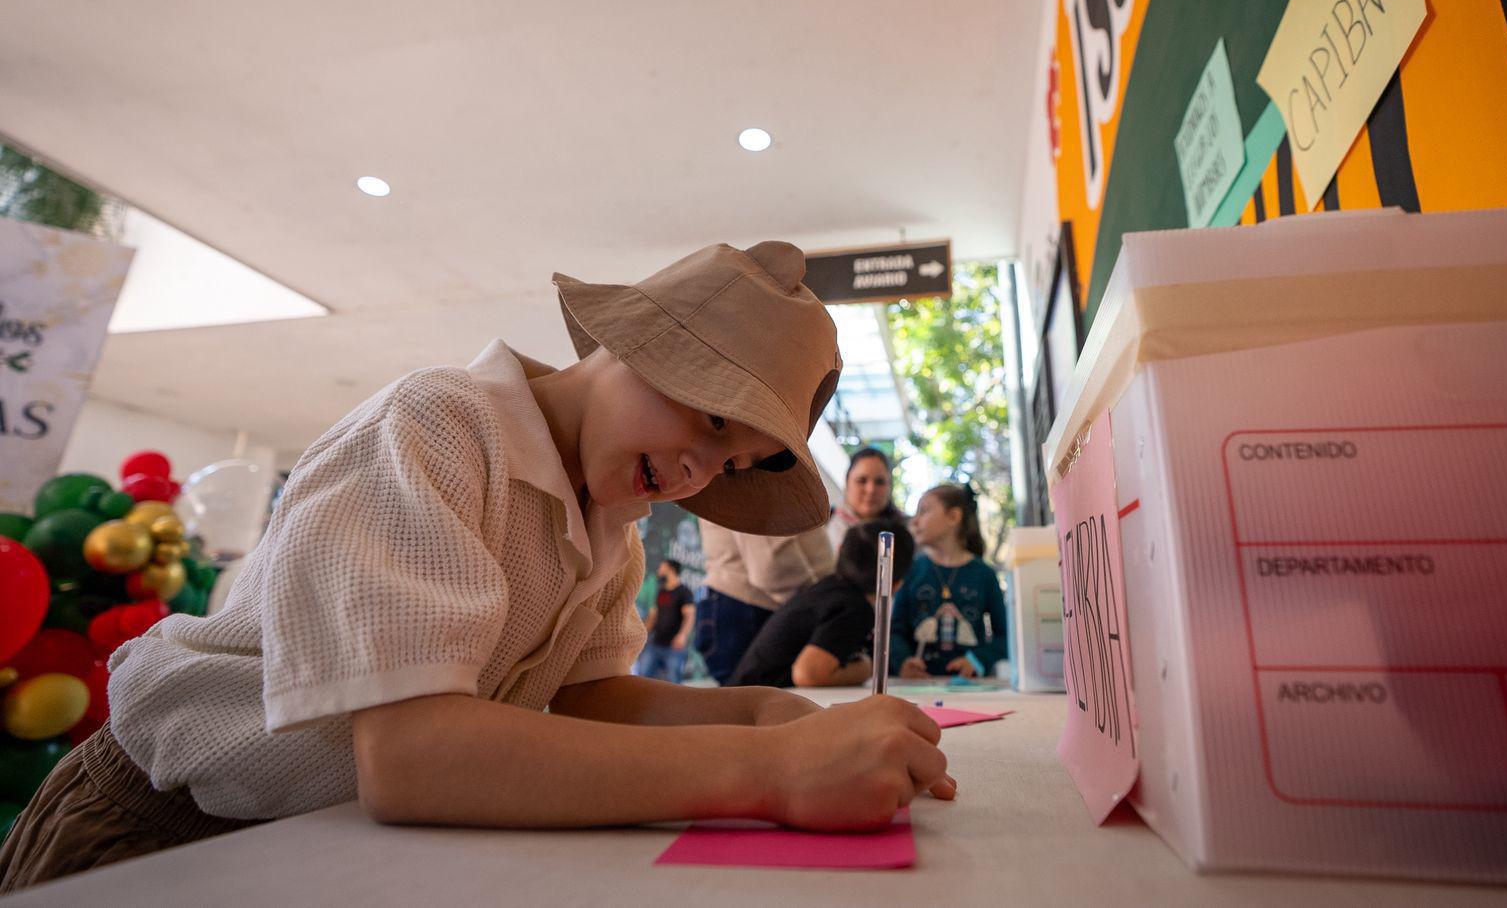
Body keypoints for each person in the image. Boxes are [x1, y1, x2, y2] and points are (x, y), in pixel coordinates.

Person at [0, 241, 955, 893]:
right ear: (631, 343)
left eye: (736, 463)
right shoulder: (439, 428)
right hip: (162, 835)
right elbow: (412, 757)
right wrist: (769, 769)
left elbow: (592, 695)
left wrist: (766, 710)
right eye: (710, 420)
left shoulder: (612, 520)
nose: (706, 471)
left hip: (315, 845)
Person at [729, 521, 915, 688]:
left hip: (746, 698)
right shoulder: (853, 607)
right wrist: (865, 668)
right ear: (896, 583)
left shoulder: (829, 589)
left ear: (840, 551)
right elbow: (808, 674)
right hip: (752, 711)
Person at [694, 521, 834, 684]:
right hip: (751, 608)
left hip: (754, 606)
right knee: (756, 702)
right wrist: (821, 602)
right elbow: (770, 561)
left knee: (753, 701)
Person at [890, 484, 1007, 679]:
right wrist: (902, 662)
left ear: (954, 516)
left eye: (924, 511)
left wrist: (977, 660)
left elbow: (1005, 636)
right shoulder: (911, 570)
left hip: (970, 689)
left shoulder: (984, 574)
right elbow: (894, 631)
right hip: (915, 687)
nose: (915, 520)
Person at [825, 447, 905, 549]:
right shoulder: (820, 526)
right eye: (861, 480)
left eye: (879, 482)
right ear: (847, 483)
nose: (871, 489)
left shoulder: (906, 536)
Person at [638, 559, 695, 683]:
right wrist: (642, 633)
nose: (659, 571)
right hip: (656, 643)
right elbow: (654, 616)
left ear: (671, 570)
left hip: (674, 647)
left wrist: (682, 635)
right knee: (644, 677)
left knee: (673, 681)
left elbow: (689, 616)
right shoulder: (662, 592)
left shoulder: (684, 592)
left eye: (662, 568)